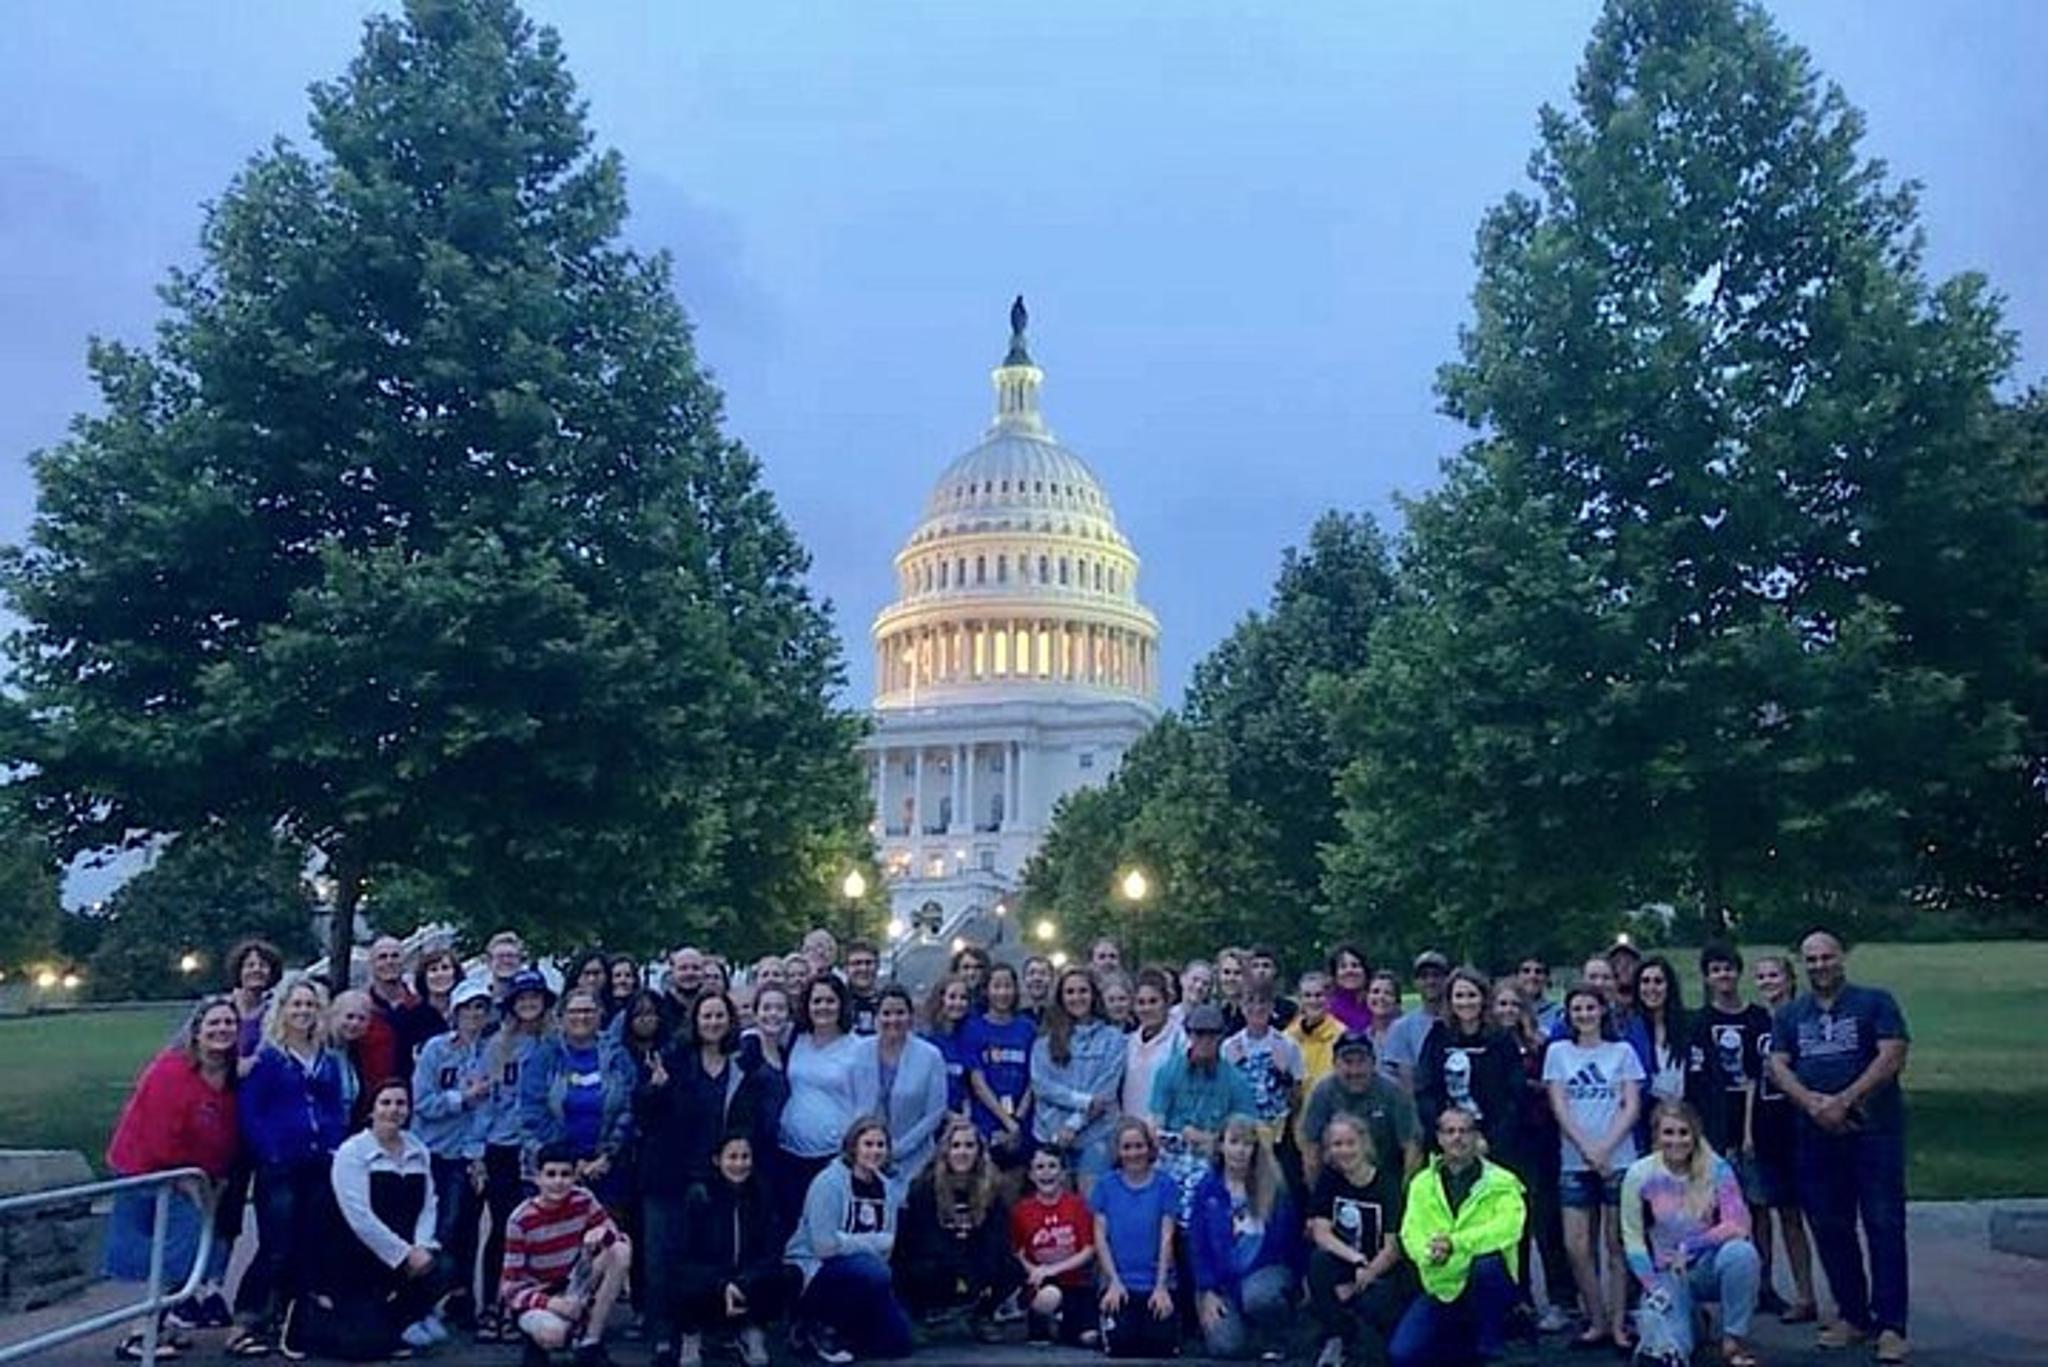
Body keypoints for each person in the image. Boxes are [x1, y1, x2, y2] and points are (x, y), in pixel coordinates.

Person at [1767, 931, 1911, 1363]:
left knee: (1883, 1225)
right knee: (1830, 1227)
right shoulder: (1792, 1014)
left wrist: (1845, 1100)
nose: (1819, 966)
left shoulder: (1874, 1002)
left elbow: (1892, 1054)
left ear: (1841, 958)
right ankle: (1852, 1314)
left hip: (1873, 1133)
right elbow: (1777, 1066)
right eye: (1810, 959)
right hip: (1815, 1136)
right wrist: (1812, 1104)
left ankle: (1891, 1324)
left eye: (1826, 957)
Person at [640, 990, 778, 1362]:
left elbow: (752, 1119)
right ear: (695, 1021)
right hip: (672, 1174)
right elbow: (647, 1115)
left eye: (720, 1016)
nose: (713, 1022)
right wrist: (655, 1088)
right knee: (663, 1258)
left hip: (721, 1176)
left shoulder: (742, 1066)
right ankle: (667, 1334)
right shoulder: (675, 1060)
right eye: (707, 1016)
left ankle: (726, 1328)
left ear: (730, 1021)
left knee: (719, 1256)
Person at [105, 997, 242, 1358]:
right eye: (214, 1023)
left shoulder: (229, 1074)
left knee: (192, 1251)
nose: (222, 1030)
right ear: (196, 1031)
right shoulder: (172, 1069)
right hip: (155, 1172)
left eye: (229, 1023)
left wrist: (217, 1177)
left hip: (199, 1175)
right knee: (178, 1251)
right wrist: (191, 1183)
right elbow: (160, 1133)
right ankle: (139, 1334)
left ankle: (161, 1325)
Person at [231, 976, 349, 1357]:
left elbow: (334, 1106)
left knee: (309, 1239)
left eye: (309, 1005)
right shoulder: (268, 1058)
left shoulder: (327, 1060)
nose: (303, 1012)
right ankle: (246, 1317)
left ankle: (291, 1317)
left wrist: (333, 1143)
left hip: (318, 1162)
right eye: (296, 1005)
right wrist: (270, 1150)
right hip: (280, 1163)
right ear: (282, 1010)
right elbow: (252, 1112)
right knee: (276, 1242)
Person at [1620, 1101, 1762, 1367]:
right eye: (1668, 1133)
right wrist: (1651, 1285)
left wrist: (1690, 1246)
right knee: (1664, 1347)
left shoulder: (1717, 1168)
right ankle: (1691, 1326)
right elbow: (1633, 1239)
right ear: (1657, 1136)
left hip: (1709, 1264)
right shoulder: (1639, 1174)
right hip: (1666, 1272)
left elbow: (1739, 1224)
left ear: (1694, 1134)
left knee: (1742, 1254)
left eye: (1683, 1132)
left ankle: (1733, 1340)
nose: (1676, 1140)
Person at [1544, 984, 1644, 1351]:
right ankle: (1596, 1318)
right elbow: (1559, 1105)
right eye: (1577, 1009)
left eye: (1590, 1007)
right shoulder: (1558, 1053)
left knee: (1617, 1245)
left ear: (1602, 1011)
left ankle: (1619, 1324)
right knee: (1576, 1245)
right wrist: (1587, 1149)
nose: (1584, 1014)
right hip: (1575, 1160)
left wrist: (1605, 1148)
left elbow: (1631, 1105)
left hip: (1618, 1160)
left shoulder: (1622, 1052)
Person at [1388, 1106, 1526, 1367]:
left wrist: (1455, 1244)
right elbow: (1410, 1232)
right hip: (1440, 1284)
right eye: (1450, 1131)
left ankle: (1490, 1346)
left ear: (1477, 1137)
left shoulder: (1503, 1182)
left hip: (1485, 1285)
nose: (1457, 1137)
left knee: (1487, 1266)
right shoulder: (1421, 1184)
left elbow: (1508, 1228)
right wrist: (1429, 1253)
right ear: (1439, 1138)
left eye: (1464, 1131)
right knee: (1402, 1354)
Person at [326, 1079, 453, 1353]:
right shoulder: (352, 1152)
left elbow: (429, 1204)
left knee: (444, 1266)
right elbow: (359, 1217)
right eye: (385, 1103)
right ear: (371, 1110)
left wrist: (422, 1247)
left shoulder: (418, 1148)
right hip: (359, 1256)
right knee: (363, 1346)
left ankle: (406, 1317)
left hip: (408, 1256)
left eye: (401, 1103)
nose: (393, 1110)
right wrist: (403, 1253)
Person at [1685, 944, 1780, 1309]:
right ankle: (1724, 1282)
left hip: (1752, 1122)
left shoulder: (1757, 1019)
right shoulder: (1700, 1023)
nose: (1722, 976)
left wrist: (1748, 1134)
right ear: (1707, 977)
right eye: (1715, 970)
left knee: (1757, 1207)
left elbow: (1758, 1078)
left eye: (1728, 969)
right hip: (1712, 1125)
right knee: (1716, 1210)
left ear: (1738, 973)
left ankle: (1765, 1284)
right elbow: (1696, 1082)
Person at [785, 1116, 913, 1364]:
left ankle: (847, 1328)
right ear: (853, 1146)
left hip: (865, 1271)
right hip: (817, 1269)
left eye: (880, 1145)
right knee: (871, 1270)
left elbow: (889, 1249)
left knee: (899, 1343)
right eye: (868, 1144)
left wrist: (849, 1241)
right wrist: (875, 1241)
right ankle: (814, 1325)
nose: (874, 1151)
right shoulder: (828, 1183)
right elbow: (824, 1246)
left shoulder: (888, 1189)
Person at [410, 979, 495, 1332]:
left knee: (465, 1230)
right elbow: (423, 1102)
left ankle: (461, 1302)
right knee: (434, 1230)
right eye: (467, 1008)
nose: (474, 1015)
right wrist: (461, 1098)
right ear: (454, 1013)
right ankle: (420, 1304)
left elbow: (488, 1109)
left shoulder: (493, 1052)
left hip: (467, 1155)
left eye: (480, 1008)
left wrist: (477, 1154)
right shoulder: (434, 1050)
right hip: (431, 1152)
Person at [502, 1142, 634, 1367]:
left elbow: (617, 1237)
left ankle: (590, 1343)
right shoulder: (520, 1220)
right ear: (538, 1178)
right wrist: (552, 1303)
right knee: (553, 1333)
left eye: (565, 1174)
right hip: (538, 1295)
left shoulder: (583, 1199)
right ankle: (537, 1341)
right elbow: (510, 1288)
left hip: (573, 1282)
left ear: (574, 1177)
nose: (558, 1182)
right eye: (551, 1174)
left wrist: (603, 1233)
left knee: (620, 1250)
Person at [477, 968, 555, 1342]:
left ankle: (527, 1305)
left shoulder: (553, 1045)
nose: (529, 1005)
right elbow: (485, 1103)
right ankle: (494, 1304)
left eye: (535, 998)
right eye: (522, 999)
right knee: (504, 1228)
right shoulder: (498, 1045)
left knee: (540, 1230)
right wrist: (477, 1149)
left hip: (540, 1147)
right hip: (503, 1145)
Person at [1491, 979, 1571, 1334]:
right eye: (1501, 1004)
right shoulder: (1490, 1045)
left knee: (1546, 1223)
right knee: (1512, 1227)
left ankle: (1560, 1300)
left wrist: (1532, 1088)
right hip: (1504, 1144)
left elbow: (1553, 1088)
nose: (1507, 1011)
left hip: (1540, 1142)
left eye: (1514, 1004)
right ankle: (1517, 1299)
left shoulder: (1542, 1045)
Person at [892, 1118, 1019, 1338]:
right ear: (946, 1151)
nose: (963, 1152)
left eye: (970, 1146)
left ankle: (982, 1315)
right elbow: (924, 1239)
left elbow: (996, 1238)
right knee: (919, 1268)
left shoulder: (993, 1186)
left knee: (1012, 1268)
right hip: (936, 1261)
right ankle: (923, 1314)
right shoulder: (924, 1186)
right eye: (956, 1146)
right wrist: (960, 1271)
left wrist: (976, 1270)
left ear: (979, 1151)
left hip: (974, 1259)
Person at [1188, 1115, 1299, 1359]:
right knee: (1225, 1347)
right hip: (1221, 1283)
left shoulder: (1275, 1188)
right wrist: (1206, 1291)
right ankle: (1245, 1330)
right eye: (1234, 1142)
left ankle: (1277, 1337)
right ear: (1221, 1145)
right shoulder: (1207, 1189)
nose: (1240, 1150)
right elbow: (1197, 1246)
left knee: (1258, 1296)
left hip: (1264, 1273)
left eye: (1247, 1144)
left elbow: (1287, 1243)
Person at [671, 1133, 786, 1367]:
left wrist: (743, 1281)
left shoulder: (762, 1194)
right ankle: (692, 1335)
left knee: (785, 1274)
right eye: (732, 1157)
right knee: (683, 1279)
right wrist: (723, 1283)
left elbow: (771, 1250)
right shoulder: (698, 1196)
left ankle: (751, 1331)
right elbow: (683, 1255)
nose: (740, 1164)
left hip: (746, 1282)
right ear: (717, 1160)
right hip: (709, 1282)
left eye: (745, 1157)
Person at [1304, 1113, 1409, 1367]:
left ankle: (1364, 1339)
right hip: (1348, 1260)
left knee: (1375, 1306)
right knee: (1318, 1264)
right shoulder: (1330, 1179)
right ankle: (1337, 1337)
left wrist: (1368, 1271)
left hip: (1382, 1267)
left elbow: (1393, 1247)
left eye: (1350, 1143)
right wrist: (1356, 1260)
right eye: (1337, 1145)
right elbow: (1321, 1232)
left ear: (1364, 1144)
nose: (1344, 1151)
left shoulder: (1387, 1183)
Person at [1749, 953, 1817, 1323]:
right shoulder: (1756, 1023)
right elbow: (1747, 1082)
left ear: (1790, 979)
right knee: (1764, 1211)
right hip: (1765, 1126)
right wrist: (1746, 1132)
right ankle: (1765, 1287)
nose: (1767, 982)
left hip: (1801, 1122)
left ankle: (1809, 1293)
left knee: (1805, 1214)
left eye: (1773, 975)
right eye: (1761, 976)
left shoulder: (1805, 1018)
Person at [521, 988, 637, 1203]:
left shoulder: (617, 1055)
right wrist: (572, 1160)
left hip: (607, 1167)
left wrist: (608, 1155)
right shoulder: (545, 1056)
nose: (581, 1017)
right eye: (574, 1012)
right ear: (561, 1016)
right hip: (556, 1171)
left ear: (600, 1014)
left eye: (588, 1011)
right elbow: (533, 1112)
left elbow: (628, 1108)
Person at [1149, 1004, 1257, 1215]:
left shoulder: (1236, 1080)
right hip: (1173, 1157)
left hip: (1217, 1159)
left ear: (1222, 1036)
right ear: (1189, 1034)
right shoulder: (1168, 1071)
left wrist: (1207, 1139)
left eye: (1213, 1034)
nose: (1206, 1040)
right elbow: (1156, 1122)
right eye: (1199, 1033)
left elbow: (1248, 1130)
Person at [778, 976, 866, 1233]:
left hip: (833, 1157)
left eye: (830, 1000)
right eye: (817, 1001)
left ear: (841, 1005)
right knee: (792, 1229)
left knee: (825, 1230)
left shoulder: (858, 1048)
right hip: (789, 1154)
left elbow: (865, 1104)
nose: (823, 1007)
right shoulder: (794, 1039)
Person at [1090, 1118, 1180, 1359]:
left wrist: (1161, 1287)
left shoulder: (1166, 1185)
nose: (1133, 1153)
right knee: (1121, 1346)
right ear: (1118, 1152)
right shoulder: (1105, 1186)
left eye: (1139, 1146)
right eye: (1127, 1147)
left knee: (1161, 1347)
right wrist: (1113, 1282)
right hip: (1119, 1281)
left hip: (1155, 1280)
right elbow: (1100, 1237)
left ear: (1149, 1148)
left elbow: (1166, 1237)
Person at [1030, 967, 1126, 1186]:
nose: (1077, 997)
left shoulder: (1113, 1039)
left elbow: (1105, 1091)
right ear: (1061, 998)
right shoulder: (1045, 1040)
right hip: (1052, 1135)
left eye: (1083, 991)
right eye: (1070, 992)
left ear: (1093, 995)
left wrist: (1073, 1125)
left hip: (1097, 1133)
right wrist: (1079, 1104)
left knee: (1090, 1206)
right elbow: (1041, 1085)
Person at [853, 985, 949, 1200]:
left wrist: (898, 1149)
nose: (893, 1020)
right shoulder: (859, 1052)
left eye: (900, 1013)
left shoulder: (931, 1056)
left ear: (910, 1016)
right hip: (866, 1158)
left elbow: (935, 1112)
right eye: (886, 1013)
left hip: (916, 1160)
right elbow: (852, 1101)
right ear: (877, 1017)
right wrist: (868, 1146)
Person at [1414, 967, 1521, 1159]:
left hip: (1494, 1142)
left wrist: (1490, 1139)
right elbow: (1424, 1088)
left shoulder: (1501, 1039)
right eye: (1459, 996)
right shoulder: (1437, 1036)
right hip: (1445, 1139)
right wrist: (1444, 1132)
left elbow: (1515, 1095)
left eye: (1472, 995)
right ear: (1450, 1000)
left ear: (1483, 999)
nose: (1465, 1002)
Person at [1299, 1030, 1423, 1188]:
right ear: (1335, 1065)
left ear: (1373, 1063)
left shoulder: (1393, 1092)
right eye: (1348, 1062)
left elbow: (1412, 1146)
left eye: (1361, 1062)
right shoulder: (1323, 1092)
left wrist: (1405, 1193)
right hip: (1335, 1180)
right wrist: (1315, 1194)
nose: (1355, 1071)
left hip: (1385, 1179)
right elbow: (1311, 1148)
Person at [1010, 1146, 1098, 1346]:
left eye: (1052, 1166)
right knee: (1050, 1296)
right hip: (1042, 1285)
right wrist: (1035, 1271)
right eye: (1040, 1167)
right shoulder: (1022, 1211)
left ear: (1063, 1173)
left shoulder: (1078, 1206)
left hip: (1075, 1283)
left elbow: (1088, 1250)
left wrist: (1053, 1269)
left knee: (1090, 1338)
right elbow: (1018, 1251)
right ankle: (1040, 1320)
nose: (1046, 1172)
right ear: (1031, 1175)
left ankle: (1062, 1325)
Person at [962, 963, 1036, 1169]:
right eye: (997, 986)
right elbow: (977, 1082)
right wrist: (1006, 1121)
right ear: (987, 990)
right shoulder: (973, 1028)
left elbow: (1034, 1078)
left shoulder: (1027, 1028)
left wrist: (1018, 1119)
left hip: (1022, 1121)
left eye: (1008, 986)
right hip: (986, 1120)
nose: (1003, 992)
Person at [1221, 987, 1305, 1147]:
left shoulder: (1288, 1044)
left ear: (1272, 1006)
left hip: (1278, 1132)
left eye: (1263, 1002)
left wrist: (1284, 1075)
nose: (1257, 1008)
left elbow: (1297, 1100)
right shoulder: (1229, 1047)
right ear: (1241, 1006)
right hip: (1242, 1132)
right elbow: (1222, 1097)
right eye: (1250, 1002)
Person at [1120, 967, 1185, 1120]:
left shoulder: (1180, 1041)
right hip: (1132, 1130)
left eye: (1153, 1001)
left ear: (1166, 1002)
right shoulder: (1129, 1042)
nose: (1147, 1008)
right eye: (1141, 1003)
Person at [1634, 956, 1690, 1131]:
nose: (1651, 988)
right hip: (1646, 1122)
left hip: (1687, 1119)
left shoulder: (1691, 1026)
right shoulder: (1630, 1030)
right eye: (1645, 981)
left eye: (1658, 981)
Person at [1380, 952, 1450, 1091]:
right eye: (1424, 976)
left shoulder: (1461, 1022)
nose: (1430, 981)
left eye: (1436, 975)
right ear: (1415, 982)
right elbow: (1403, 1078)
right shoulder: (1401, 1028)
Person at [359, 936, 419, 1092]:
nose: (389, 961)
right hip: (373, 1101)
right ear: (371, 965)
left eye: (395, 956)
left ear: (404, 962)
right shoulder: (361, 1012)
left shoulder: (422, 1009)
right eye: (382, 957)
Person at [921, 975, 976, 1116]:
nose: (958, 1003)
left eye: (963, 998)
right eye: (952, 997)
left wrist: (965, 1116)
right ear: (940, 1000)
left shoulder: (967, 1039)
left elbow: (967, 1086)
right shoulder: (926, 1039)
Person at [397, 947, 461, 1064]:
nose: (440, 974)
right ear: (424, 977)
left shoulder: (469, 1012)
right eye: (433, 970)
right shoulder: (410, 1017)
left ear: (455, 974)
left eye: (445, 968)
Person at [224, 939, 284, 1065]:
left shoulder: (279, 1011)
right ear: (239, 971)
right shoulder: (220, 1007)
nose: (256, 970)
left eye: (263, 965)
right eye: (250, 965)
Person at [1287, 971, 1344, 1093]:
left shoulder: (1342, 1035)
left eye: (1319, 995)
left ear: (1329, 999)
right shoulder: (1288, 1036)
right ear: (1300, 999)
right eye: (1307, 995)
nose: (1313, 1001)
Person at [1362, 971, 1405, 1084]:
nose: (1381, 997)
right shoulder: (1364, 1037)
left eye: (1388, 993)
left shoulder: (1407, 1033)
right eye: (1375, 992)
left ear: (1397, 1000)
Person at [1243, 946, 1299, 1031]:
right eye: (1255, 966)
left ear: (1275, 970)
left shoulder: (1289, 1009)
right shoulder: (1239, 1008)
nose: (1261, 970)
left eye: (1266, 966)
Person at [1324, 946, 1372, 1032]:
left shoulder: (1378, 1004)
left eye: (1355, 965)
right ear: (1335, 974)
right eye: (1343, 966)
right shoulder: (1326, 1009)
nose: (1349, 970)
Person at [1514, 955, 1564, 1037]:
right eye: (1526, 971)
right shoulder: (1505, 1010)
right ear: (1516, 976)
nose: (1532, 976)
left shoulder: (1558, 1013)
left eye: (1538, 972)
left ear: (1547, 978)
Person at [843, 941, 883, 1035]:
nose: (863, 968)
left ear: (878, 966)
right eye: (857, 963)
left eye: (868, 963)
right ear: (846, 968)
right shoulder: (836, 1003)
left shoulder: (887, 1002)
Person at [485, 932, 528, 1003]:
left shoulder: (531, 1000)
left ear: (520, 960)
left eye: (510, 956)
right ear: (489, 962)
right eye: (500, 956)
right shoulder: (481, 1001)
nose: (506, 961)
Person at [1020, 955, 1056, 1023]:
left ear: (1052, 979)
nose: (1037, 978)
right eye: (1031, 973)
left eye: (1043, 973)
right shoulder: (1014, 1016)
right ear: (1024, 979)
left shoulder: (1061, 1015)